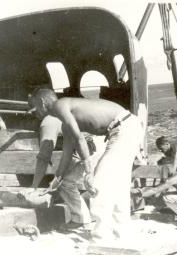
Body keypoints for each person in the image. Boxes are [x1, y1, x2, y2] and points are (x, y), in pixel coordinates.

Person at [28, 87, 144, 242]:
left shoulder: (59, 105)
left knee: (98, 184)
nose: (32, 110)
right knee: (118, 185)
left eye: (33, 104)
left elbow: (79, 139)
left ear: (42, 102)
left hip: (123, 128)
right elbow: (67, 156)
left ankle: (101, 238)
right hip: (128, 126)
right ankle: (122, 234)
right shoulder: (65, 123)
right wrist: (57, 180)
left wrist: (89, 171)